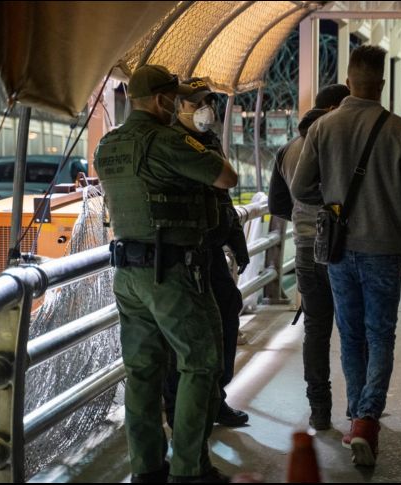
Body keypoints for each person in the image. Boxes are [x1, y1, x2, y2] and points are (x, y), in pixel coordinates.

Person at [93, 65, 237, 483]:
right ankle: (190, 470)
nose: (178, 104)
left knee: (142, 371)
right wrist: (200, 140)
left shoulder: (109, 146)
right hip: (171, 271)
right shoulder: (168, 141)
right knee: (200, 362)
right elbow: (227, 177)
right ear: (161, 101)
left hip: (127, 275)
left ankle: (148, 469)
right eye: (174, 98)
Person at [291, 45, 401, 467]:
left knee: (349, 334)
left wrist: (332, 203)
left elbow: (299, 189)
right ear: (382, 83)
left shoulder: (324, 127)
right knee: (380, 334)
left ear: (348, 81)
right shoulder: (400, 130)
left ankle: (355, 417)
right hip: (383, 247)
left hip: (338, 250)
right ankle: (367, 418)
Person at [163, 77, 251, 429]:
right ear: (176, 106)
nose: (205, 108)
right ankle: (176, 405)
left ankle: (217, 397)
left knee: (228, 310)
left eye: (207, 101)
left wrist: (237, 240)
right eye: (195, 102)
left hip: (210, 249)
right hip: (181, 251)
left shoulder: (208, 139)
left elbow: (222, 198)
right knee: (181, 334)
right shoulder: (169, 142)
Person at [268, 83, 350, 431]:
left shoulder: (287, 148)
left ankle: (319, 408)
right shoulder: (340, 145)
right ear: (334, 108)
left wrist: (304, 218)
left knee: (316, 329)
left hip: (304, 248)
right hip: (345, 248)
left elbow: (277, 205)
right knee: (353, 328)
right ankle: (360, 409)